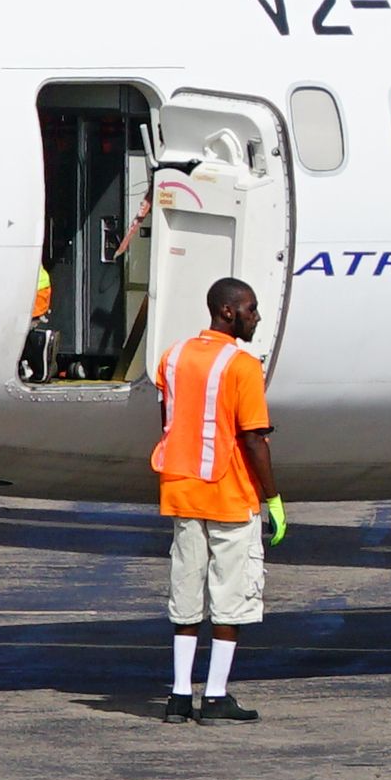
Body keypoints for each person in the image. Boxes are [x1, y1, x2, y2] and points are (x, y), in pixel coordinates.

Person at [151, 277, 274, 718]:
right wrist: (273, 498)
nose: (256, 317)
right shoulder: (242, 366)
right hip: (229, 493)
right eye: (251, 309)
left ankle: (180, 695)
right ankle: (217, 695)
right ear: (228, 312)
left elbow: (168, 418)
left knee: (186, 594)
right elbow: (255, 437)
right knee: (231, 597)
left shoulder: (174, 356)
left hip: (181, 490)